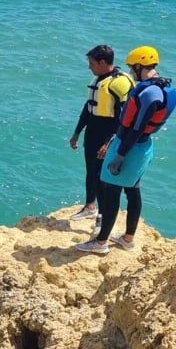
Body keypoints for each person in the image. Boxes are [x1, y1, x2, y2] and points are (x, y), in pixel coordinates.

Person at [76, 46, 176, 255]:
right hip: (143, 146)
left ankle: (101, 242)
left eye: (133, 68)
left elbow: (137, 127)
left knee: (110, 191)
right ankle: (127, 238)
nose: (131, 72)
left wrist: (120, 155)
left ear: (140, 66)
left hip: (129, 147)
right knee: (133, 190)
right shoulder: (165, 88)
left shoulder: (150, 93)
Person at [68, 45, 134, 221]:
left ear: (103, 62)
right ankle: (90, 206)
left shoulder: (119, 83)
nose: (89, 67)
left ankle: (103, 217)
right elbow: (88, 107)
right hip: (93, 131)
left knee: (102, 178)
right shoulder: (98, 79)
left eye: (92, 63)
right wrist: (77, 132)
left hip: (109, 133)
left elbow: (125, 119)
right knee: (91, 171)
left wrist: (109, 143)